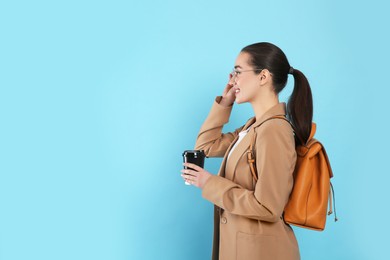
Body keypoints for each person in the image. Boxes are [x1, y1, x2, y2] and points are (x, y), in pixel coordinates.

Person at [181, 42, 313, 260]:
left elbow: (268, 207)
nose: (232, 80)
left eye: (238, 72)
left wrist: (209, 183)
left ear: (263, 77)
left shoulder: (274, 130)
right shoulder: (253, 128)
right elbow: (205, 147)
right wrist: (224, 103)